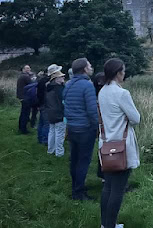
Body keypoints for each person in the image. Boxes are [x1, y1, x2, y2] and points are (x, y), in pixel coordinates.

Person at [98, 58, 140, 228]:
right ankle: (111, 226)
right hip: (121, 147)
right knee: (118, 189)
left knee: (108, 187)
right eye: (123, 70)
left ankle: (105, 224)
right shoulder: (122, 93)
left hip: (106, 143)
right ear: (117, 73)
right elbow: (136, 119)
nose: (125, 73)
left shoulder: (102, 92)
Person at [63, 57, 98, 200]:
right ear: (84, 69)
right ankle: (79, 192)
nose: (91, 67)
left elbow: (64, 103)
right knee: (83, 161)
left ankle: (75, 187)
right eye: (89, 65)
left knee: (75, 160)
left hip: (72, 127)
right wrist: (97, 127)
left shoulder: (68, 84)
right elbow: (92, 110)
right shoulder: (87, 85)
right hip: (84, 129)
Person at [45, 64, 66, 157]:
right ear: (56, 78)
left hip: (50, 112)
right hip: (59, 113)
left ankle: (50, 150)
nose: (63, 78)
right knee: (60, 134)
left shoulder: (48, 87)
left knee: (52, 132)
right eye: (61, 77)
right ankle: (59, 153)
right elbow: (63, 101)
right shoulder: (59, 88)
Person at [17, 64, 32, 134]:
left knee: (23, 113)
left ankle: (20, 127)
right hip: (25, 97)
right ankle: (24, 129)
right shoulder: (26, 76)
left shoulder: (21, 76)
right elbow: (32, 84)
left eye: (29, 68)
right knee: (26, 113)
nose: (29, 70)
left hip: (21, 96)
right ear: (24, 69)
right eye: (27, 69)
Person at [36, 70, 50, 145]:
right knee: (46, 123)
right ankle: (45, 140)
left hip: (40, 103)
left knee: (41, 122)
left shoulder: (41, 80)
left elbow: (38, 94)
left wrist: (38, 104)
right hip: (45, 104)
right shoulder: (48, 82)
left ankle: (39, 138)